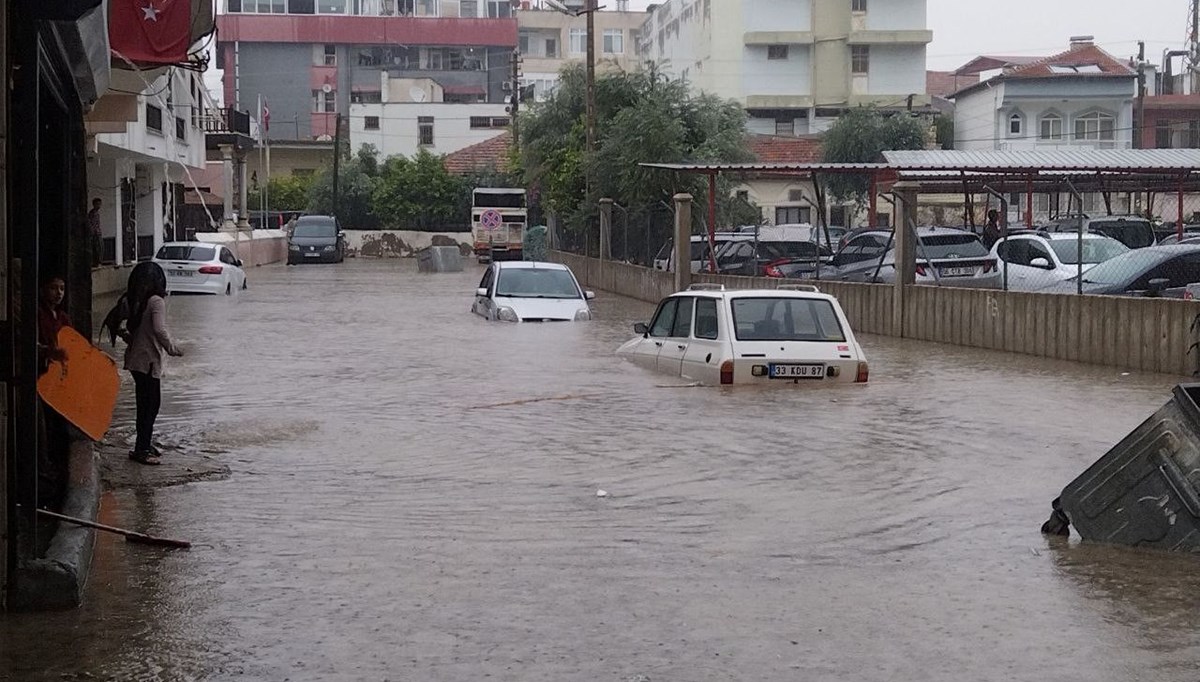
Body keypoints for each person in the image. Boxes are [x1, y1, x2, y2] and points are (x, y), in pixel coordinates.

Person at [102, 262, 183, 465]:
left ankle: (143, 444)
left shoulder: (137, 301)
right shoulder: (156, 301)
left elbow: (133, 332)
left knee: (144, 404)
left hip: (136, 360)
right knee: (151, 405)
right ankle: (142, 449)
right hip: (147, 361)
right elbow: (159, 329)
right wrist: (173, 348)